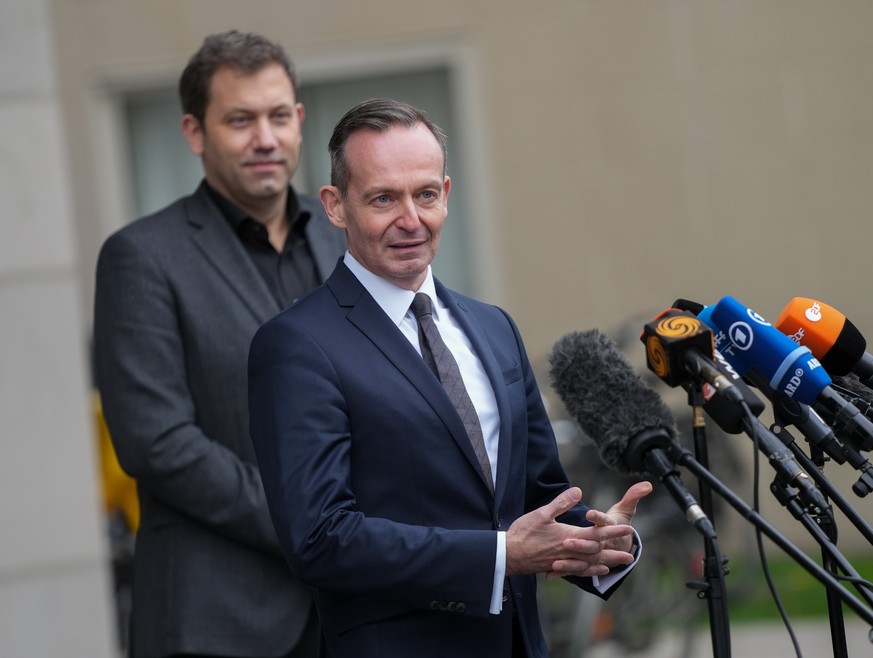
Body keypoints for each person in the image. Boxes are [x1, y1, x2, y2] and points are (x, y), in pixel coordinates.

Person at [247, 98, 653, 657]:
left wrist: (598, 540)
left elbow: (538, 496)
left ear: (447, 193)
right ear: (336, 207)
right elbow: (319, 538)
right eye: (384, 198)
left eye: (426, 195)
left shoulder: (493, 327)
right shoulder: (296, 345)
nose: (411, 220)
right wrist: (501, 556)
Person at [93, 30, 347, 658]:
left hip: (356, 612)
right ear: (194, 132)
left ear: (299, 121)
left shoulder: (346, 240)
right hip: (219, 622)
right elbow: (158, 444)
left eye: (278, 116)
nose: (265, 138)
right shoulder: (142, 258)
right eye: (240, 119)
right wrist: (316, 524)